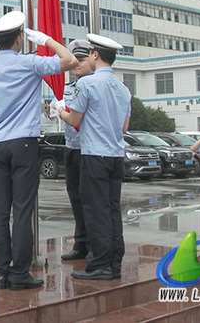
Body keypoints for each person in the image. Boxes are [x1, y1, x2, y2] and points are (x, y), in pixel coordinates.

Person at [0, 10, 77, 291]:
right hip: (24, 144)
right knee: (22, 210)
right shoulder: (31, 63)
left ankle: (1, 273)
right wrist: (46, 39)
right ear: (20, 38)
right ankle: (19, 273)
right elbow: (70, 60)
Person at [56, 33, 130, 281]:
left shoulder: (86, 84)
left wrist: (59, 110)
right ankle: (114, 262)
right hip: (116, 156)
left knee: (95, 211)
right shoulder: (123, 89)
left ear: (95, 55)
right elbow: (124, 128)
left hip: (94, 155)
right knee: (111, 210)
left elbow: (74, 120)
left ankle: (99, 264)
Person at [56, 39, 93, 261]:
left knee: (92, 200)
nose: (78, 64)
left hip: (91, 150)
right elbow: (54, 109)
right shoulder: (66, 90)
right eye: (75, 60)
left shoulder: (95, 86)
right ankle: (80, 243)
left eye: (82, 59)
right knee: (76, 199)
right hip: (72, 149)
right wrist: (53, 109)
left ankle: (93, 244)